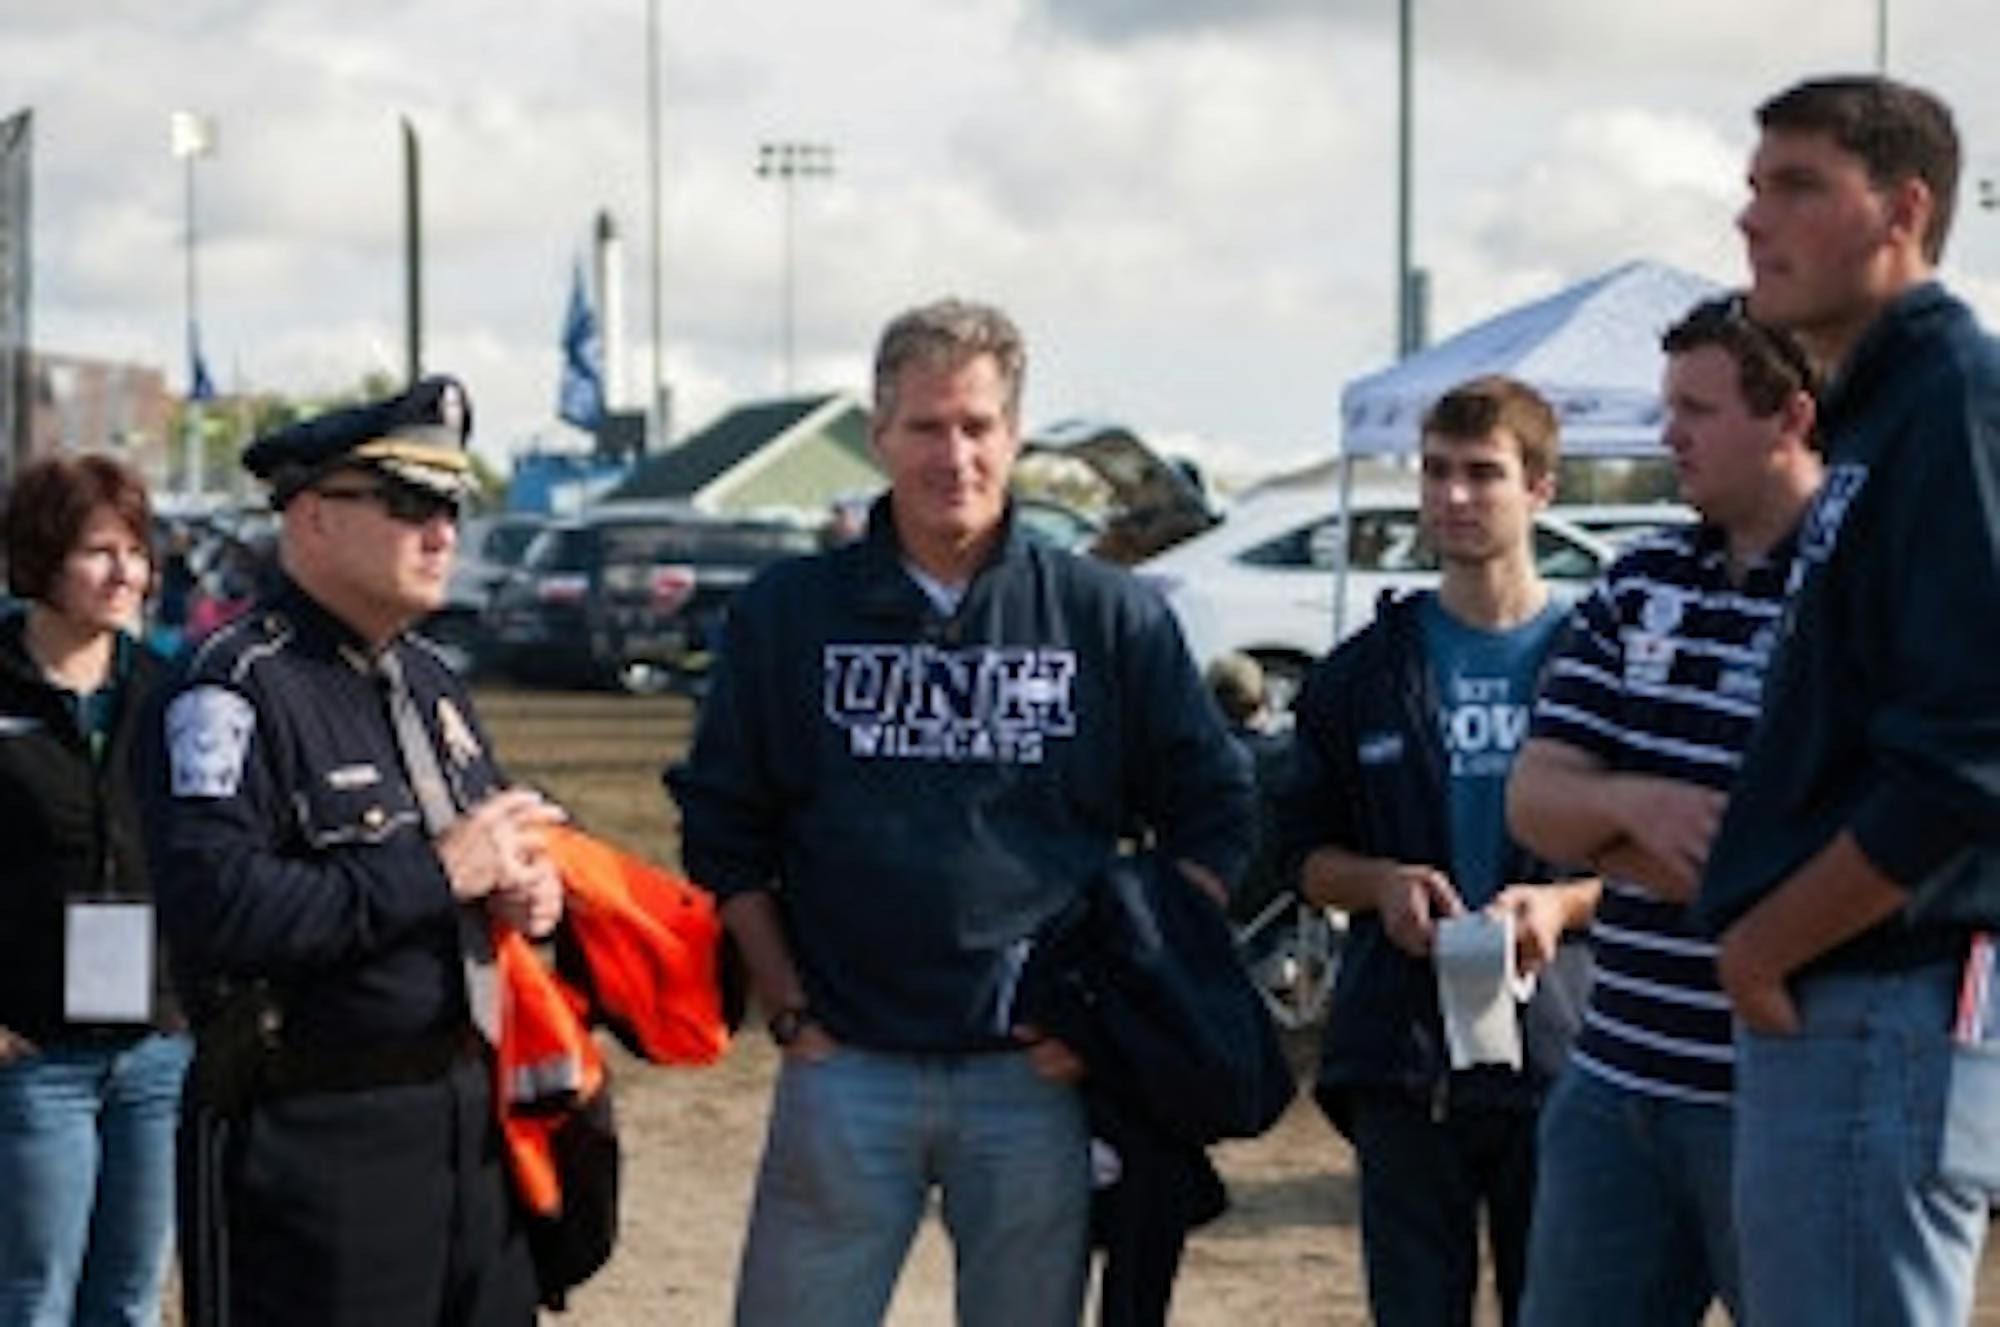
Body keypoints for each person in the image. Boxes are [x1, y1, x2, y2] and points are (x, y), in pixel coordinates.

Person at [667, 296, 1254, 1327]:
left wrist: (1122, 1004)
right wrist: (788, 1005)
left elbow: (1216, 810)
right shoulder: (786, 613)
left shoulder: (1102, 613)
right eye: (926, 425)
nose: (954, 454)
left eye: (976, 425)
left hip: (1034, 1079)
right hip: (843, 1064)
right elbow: (721, 826)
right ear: (880, 432)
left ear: (1014, 435)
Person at [136, 376, 566, 1327]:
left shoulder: (431, 681)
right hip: (311, 1139)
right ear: (313, 519)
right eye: (409, 502)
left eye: (451, 505)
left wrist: (527, 891)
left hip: (468, 1126)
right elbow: (221, 914)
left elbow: (484, 850)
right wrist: (439, 872)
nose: (442, 530)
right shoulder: (230, 690)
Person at [1691, 74, 2000, 1324]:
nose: (1751, 220)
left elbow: (1972, 746)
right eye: (1753, 185)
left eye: (1797, 185)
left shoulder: (1952, 402)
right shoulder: (1879, 414)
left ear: (1902, 212)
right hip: (1846, 996)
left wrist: (1765, 942)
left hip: (1879, 993)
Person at [1506, 297, 1822, 1325]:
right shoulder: (1639, 578)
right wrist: (1639, 802)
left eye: (1695, 407)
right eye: (1665, 405)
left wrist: (1623, 829)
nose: (1665, 434)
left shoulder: (1856, 588)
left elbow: (1803, 845)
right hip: (1612, 1082)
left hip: (1785, 1092)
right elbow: (1535, 804)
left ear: (1790, 418)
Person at [1276, 375, 1596, 1327]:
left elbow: (1667, 863)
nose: (1455, 496)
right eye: (1437, 472)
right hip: (1406, 1059)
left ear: (1540, 488)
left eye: (1484, 473)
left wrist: (1562, 905)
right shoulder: (1362, 672)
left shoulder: (1598, 660)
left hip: (1568, 1056)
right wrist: (1379, 883)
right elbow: (1300, 854)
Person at [0, 455, 190, 1326]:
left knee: (130, 1297)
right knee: (34, 1295)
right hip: (34, 1053)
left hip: (157, 1049)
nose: (128, 574)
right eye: (99, 551)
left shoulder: (171, 693)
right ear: (41, 557)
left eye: (138, 552)